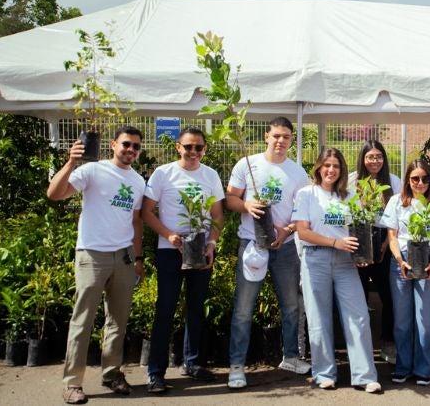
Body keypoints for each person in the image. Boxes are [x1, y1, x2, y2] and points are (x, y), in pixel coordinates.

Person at [47, 126, 146, 405]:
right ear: (113, 145)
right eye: (126, 144)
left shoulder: (138, 181)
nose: (131, 150)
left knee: (118, 321)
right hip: (92, 255)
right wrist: (71, 162)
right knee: (83, 320)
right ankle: (72, 383)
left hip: (124, 257)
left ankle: (112, 373)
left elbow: (136, 222)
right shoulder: (92, 171)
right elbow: (55, 194)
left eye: (136, 147)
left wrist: (138, 259)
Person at [226, 116, 311, 389]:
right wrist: (247, 206)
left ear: (291, 140)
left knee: (291, 306)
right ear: (266, 135)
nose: (281, 141)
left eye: (286, 137)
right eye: (276, 135)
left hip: (284, 248)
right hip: (252, 245)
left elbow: (303, 212)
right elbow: (230, 198)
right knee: (243, 309)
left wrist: (287, 231)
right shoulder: (247, 164)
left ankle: (291, 356)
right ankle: (237, 366)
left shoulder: (298, 173)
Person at [141, 127, 224, 393]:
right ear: (178, 147)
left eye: (198, 148)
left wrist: (211, 244)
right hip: (169, 251)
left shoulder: (210, 175)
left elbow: (218, 216)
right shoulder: (163, 173)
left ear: (205, 149)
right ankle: (156, 371)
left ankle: (192, 362)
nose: (193, 152)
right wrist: (168, 235)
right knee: (165, 310)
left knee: (196, 308)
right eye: (188, 147)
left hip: (200, 249)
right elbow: (146, 212)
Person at [292, 148, 381, 393]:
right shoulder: (306, 194)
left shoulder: (349, 195)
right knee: (319, 318)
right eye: (327, 165)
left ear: (342, 170)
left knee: (359, 316)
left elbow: (358, 229)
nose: (331, 170)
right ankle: (324, 373)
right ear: (319, 168)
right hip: (315, 259)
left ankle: (364, 375)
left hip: (345, 262)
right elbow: (303, 231)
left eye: (336, 166)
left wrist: (360, 253)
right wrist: (334, 242)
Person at [380, 160, 430, 385]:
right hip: (401, 262)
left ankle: (424, 369)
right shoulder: (396, 202)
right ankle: (404, 366)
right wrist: (400, 260)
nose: (420, 183)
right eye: (415, 179)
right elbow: (392, 236)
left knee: (426, 320)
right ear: (407, 181)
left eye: (424, 178)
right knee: (402, 321)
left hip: (427, 262)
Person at [349, 140, 401, 363]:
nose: (374, 161)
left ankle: (388, 342)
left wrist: (384, 245)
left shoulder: (393, 182)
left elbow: (398, 217)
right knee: (358, 298)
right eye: (370, 156)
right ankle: (362, 347)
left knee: (388, 297)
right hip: (358, 244)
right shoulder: (351, 181)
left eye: (378, 156)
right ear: (362, 158)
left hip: (384, 243)